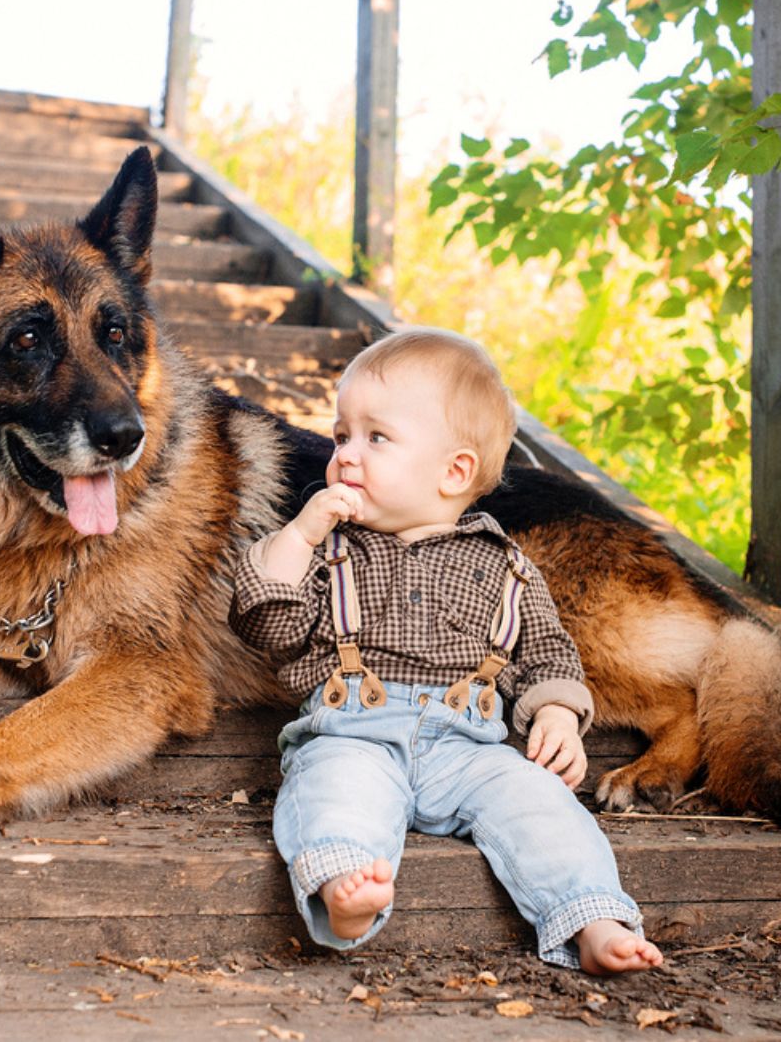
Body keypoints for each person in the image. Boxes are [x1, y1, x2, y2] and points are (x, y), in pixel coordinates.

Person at [229, 328, 662, 974]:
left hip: (471, 748)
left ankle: (593, 915)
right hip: (357, 731)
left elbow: (547, 653)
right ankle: (344, 889)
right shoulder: (331, 553)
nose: (345, 454)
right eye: (342, 434)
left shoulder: (507, 568)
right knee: (334, 787)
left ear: (454, 471)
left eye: (376, 438)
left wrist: (556, 716)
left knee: (541, 803)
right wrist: (297, 534)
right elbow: (269, 626)